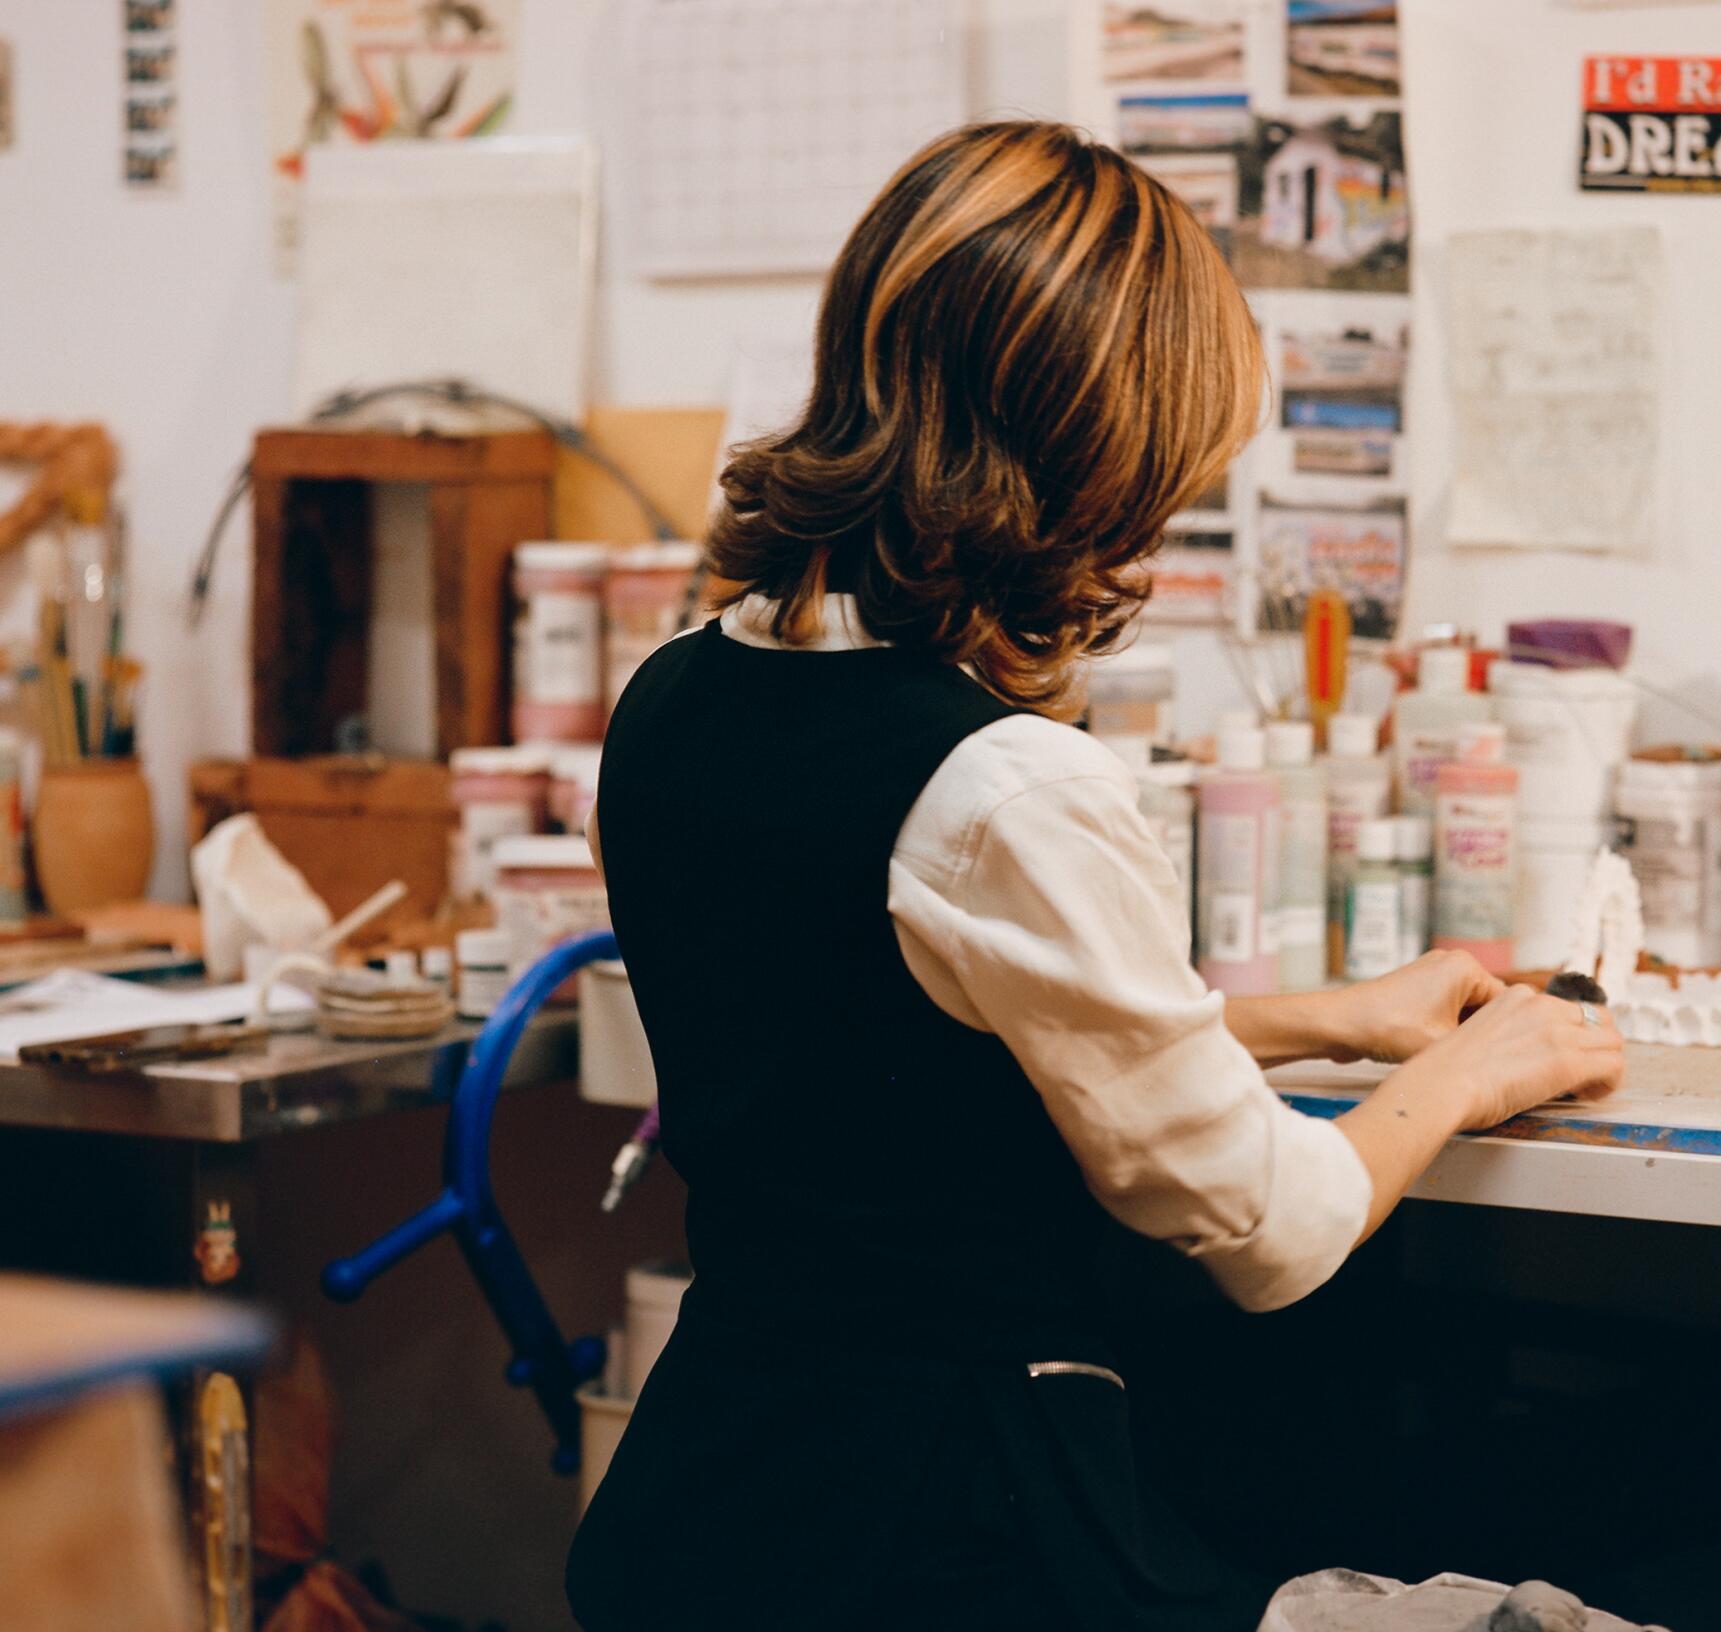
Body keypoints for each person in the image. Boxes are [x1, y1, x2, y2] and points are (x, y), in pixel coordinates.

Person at [569, 120, 1625, 1632]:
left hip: (717, 1508)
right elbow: (1274, 1230)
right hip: (946, 1544)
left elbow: (901, 1052)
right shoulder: (1001, 784)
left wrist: (1332, 1018)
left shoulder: (677, 694)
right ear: (1091, 459)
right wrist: (1471, 1075)